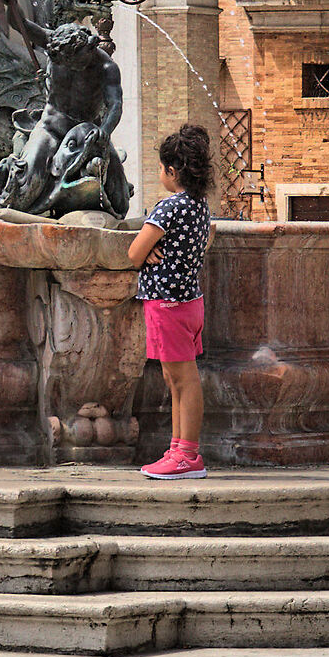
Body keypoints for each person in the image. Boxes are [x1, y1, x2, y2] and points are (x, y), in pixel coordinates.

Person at [127, 124, 215, 481]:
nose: (160, 174)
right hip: (188, 301)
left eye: (162, 168)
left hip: (168, 304)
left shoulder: (169, 207)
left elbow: (134, 253)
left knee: (183, 379)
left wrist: (147, 255)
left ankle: (187, 455)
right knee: (176, 376)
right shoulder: (198, 206)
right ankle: (178, 449)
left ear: (172, 171)